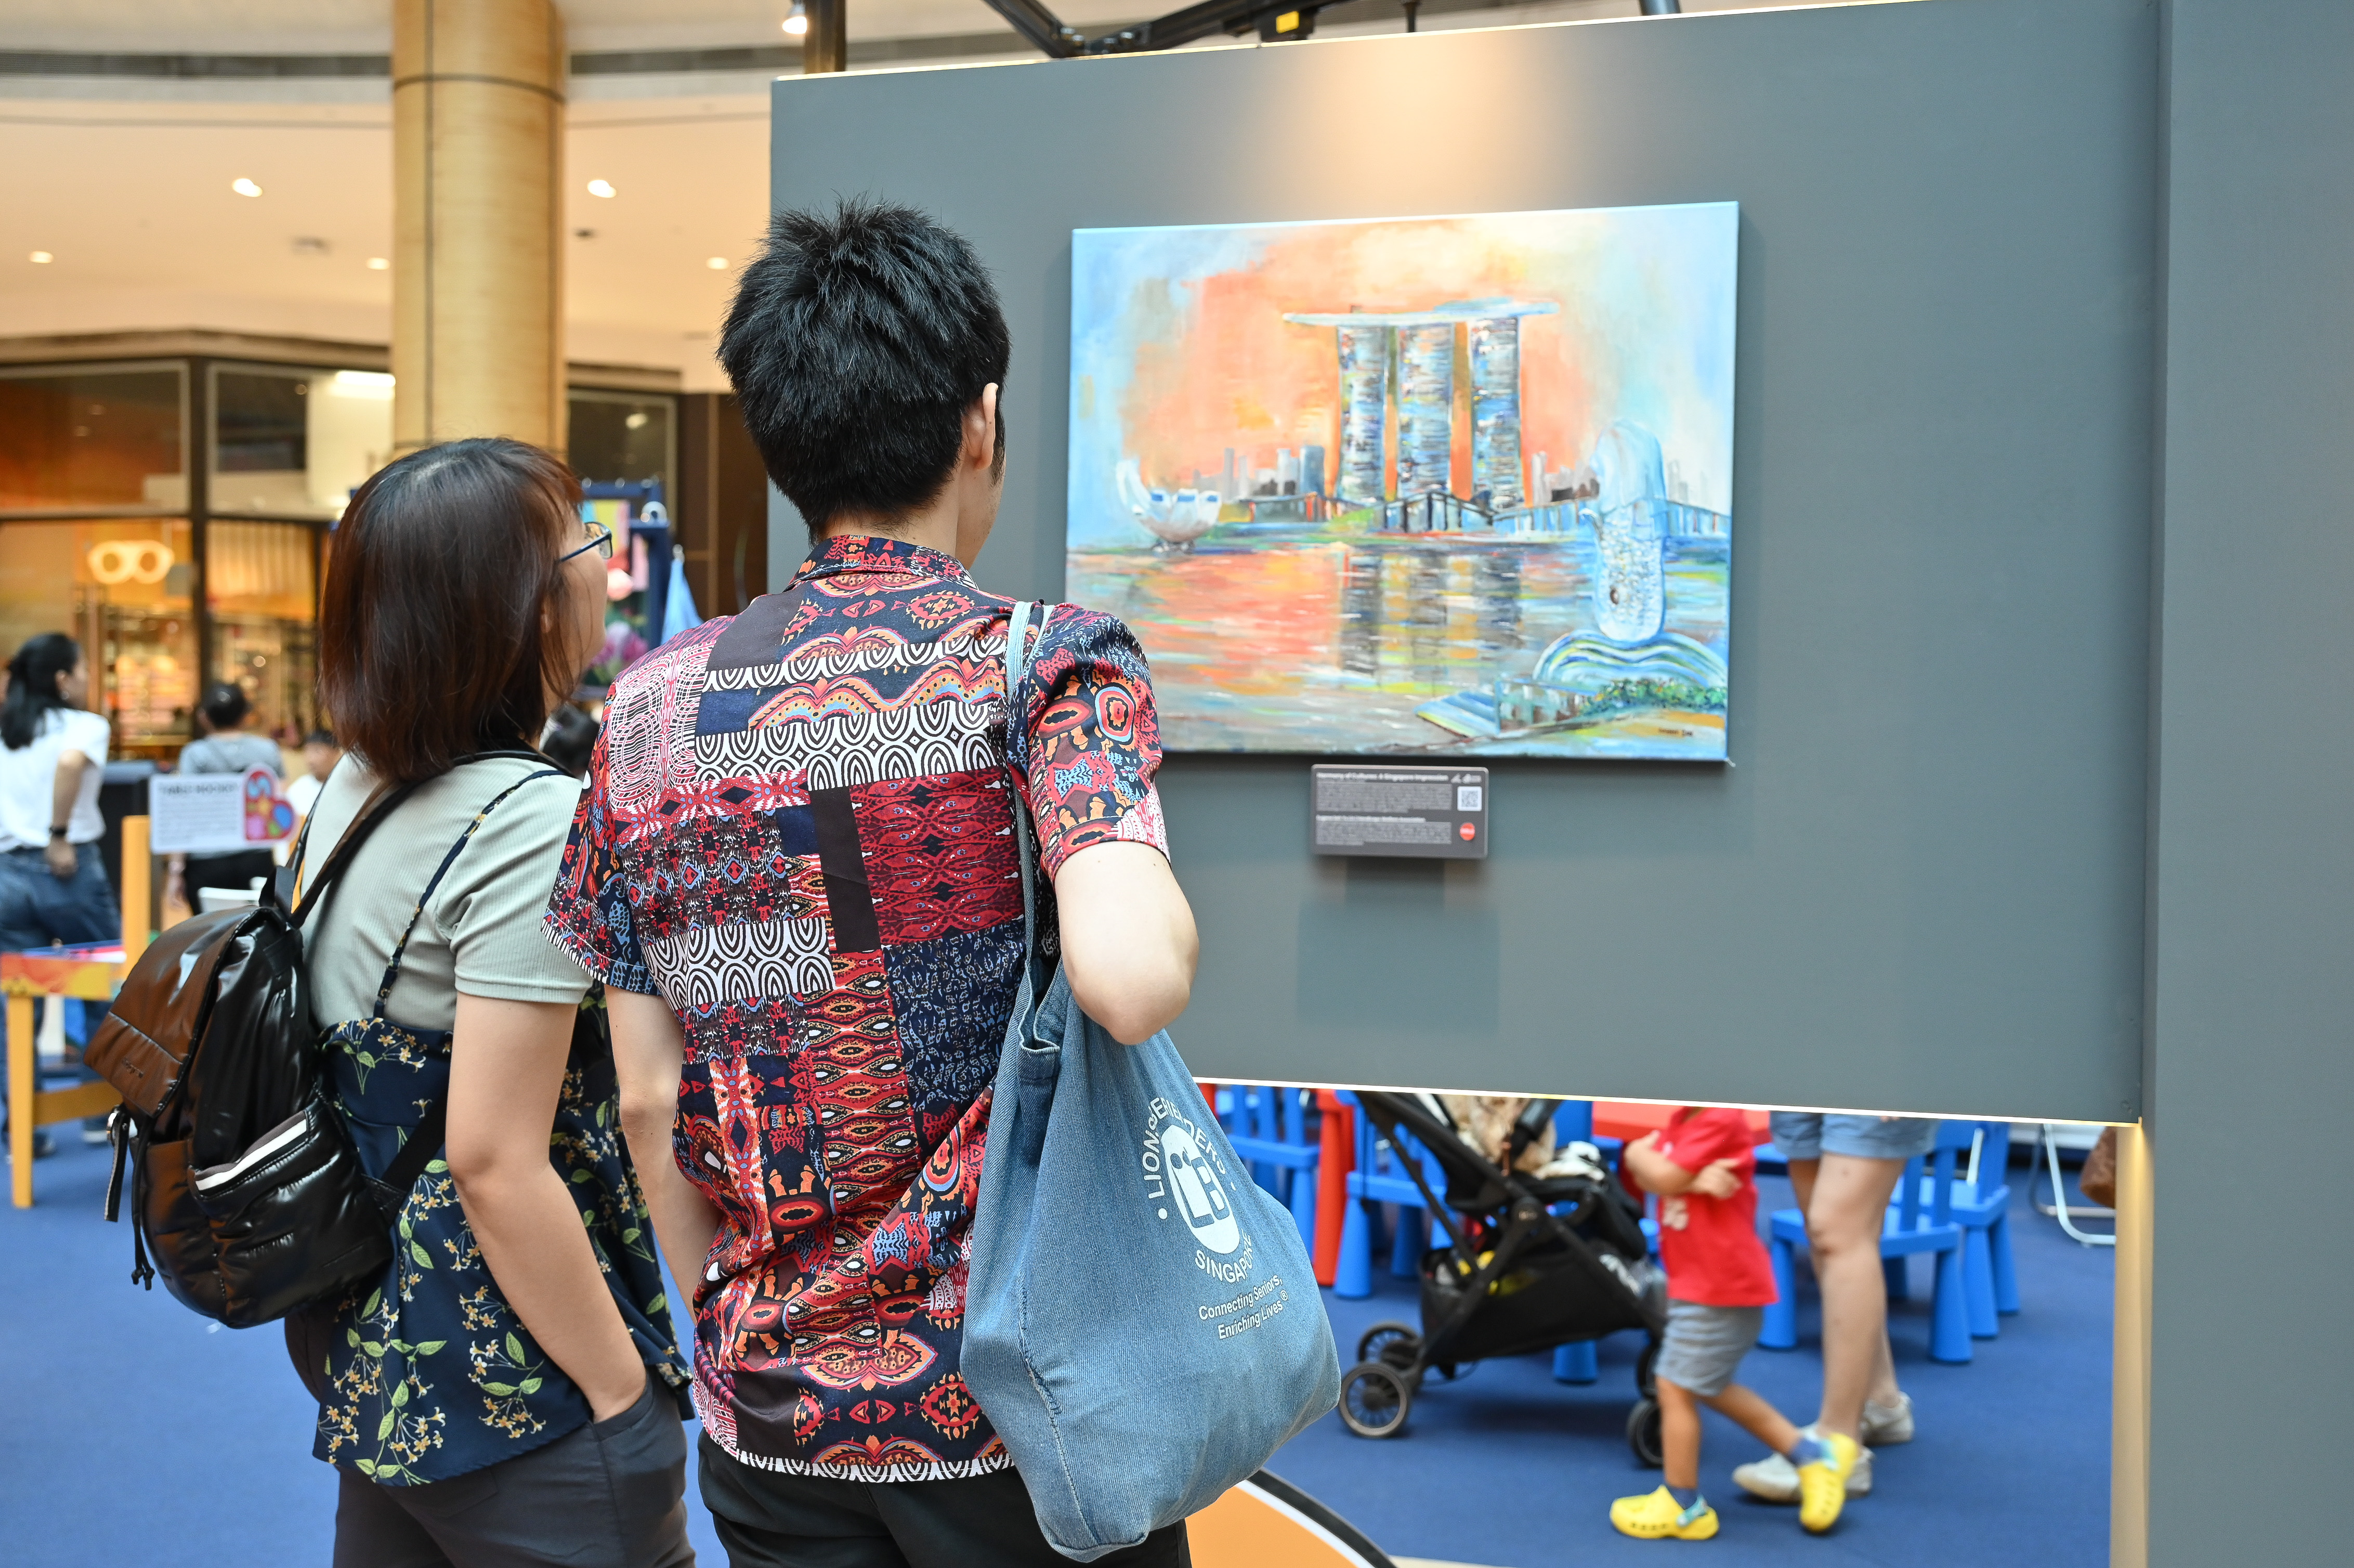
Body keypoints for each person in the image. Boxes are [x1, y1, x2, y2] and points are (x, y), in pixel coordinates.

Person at [546, 199, 1199, 1568]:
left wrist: (738, 1339)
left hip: (773, 1418)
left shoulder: (648, 713)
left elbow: (648, 1096)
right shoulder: (1048, 665)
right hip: (1027, 1412)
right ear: (981, 422)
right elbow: (1134, 981)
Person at [293, 436, 694, 1567]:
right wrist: (621, 1396)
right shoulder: (523, 823)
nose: (608, 567)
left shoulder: (355, 786)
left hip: (373, 1346)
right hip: (513, 1375)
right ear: (525, 607)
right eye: (586, 543)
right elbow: (492, 1160)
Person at [1612, 1109, 1859, 1540]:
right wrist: (1679, 1177)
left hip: (1719, 1288)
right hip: (1701, 1284)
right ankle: (1813, 1457)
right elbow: (1654, 1178)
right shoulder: (1684, 1121)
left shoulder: (1720, 1121)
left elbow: (1661, 1176)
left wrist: (1644, 1159)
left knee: (1674, 1386)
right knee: (1708, 1385)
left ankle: (1684, 1506)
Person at [1729, 1113, 1932, 1506]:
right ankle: (1880, 1400)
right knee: (1825, 1232)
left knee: (1836, 1229)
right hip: (1807, 1075)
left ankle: (1838, 1445)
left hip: (1880, 1077)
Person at [0, 633, 119, 1161]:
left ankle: (23, 1129)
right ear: (62, 679)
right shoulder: (85, 726)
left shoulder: (8, 731)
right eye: (84, 669)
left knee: (16, 1003)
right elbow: (72, 764)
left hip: (7, 873)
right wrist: (58, 834)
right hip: (68, 872)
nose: (89, 678)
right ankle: (99, 1115)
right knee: (102, 989)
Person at [173, 680, 284, 907]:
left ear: (204, 717)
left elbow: (186, 814)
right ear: (245, 716)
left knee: (211, 926)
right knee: (259, 924)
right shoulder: (267, 750)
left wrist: (176, 869)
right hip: (258, 856)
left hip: (206, 861)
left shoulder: (195, 754)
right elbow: (281, 804)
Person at [277, 728, 341, 866]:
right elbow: (285, 831)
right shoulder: (297, 790)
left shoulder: (344, 788)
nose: (311, 759)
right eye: (307, 751)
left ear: (336, 752)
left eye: (318, 751)